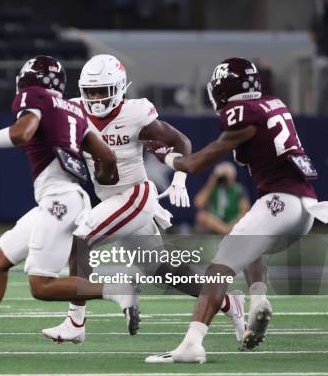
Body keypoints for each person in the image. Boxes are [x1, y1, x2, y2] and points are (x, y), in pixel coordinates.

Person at [0, 55, 141, 360]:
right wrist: (99, 179)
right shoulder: (74, 109)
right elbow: (108, 157)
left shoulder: (35, 97)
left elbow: (20, 133)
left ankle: (117, 290)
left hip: (59, 200)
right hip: (64, 199)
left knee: (41, 286)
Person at [41, 54, 244, 344]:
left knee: (82, 236)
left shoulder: (135, 114)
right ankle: (225, 301)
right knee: (163, 270)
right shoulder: (73, 110)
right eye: (91, 91)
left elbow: (181, 140)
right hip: (113, 200)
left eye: (103, 90)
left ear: (120, 88)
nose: (97, 98)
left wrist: (180, 178)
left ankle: (76, 320)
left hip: (134, 195)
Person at [145, 57, 328, 363]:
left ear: (222, 90)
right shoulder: (273, 103)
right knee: (249, 243)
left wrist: (166, 156)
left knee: (219, 268)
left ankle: (192, 344)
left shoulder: (241, 114)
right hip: (306, 208)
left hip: (279, 203)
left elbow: (195, 163)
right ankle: (258, 300)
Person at [194, 161, 250, 234]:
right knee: (201, 216)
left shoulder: (238, 189)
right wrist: (211, 183)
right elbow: (199, 203)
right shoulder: (212, 188)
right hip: (216, 221)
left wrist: (232, 223)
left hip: (232, 220)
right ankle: (225, 231)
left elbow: (244, 210)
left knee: (244, 217)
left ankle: (226, 230)